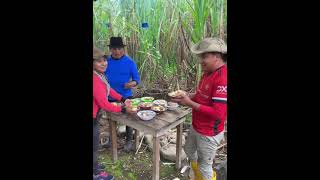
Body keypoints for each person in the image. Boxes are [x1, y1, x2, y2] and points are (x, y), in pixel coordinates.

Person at [171, 37, 227, 180]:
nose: (201, 60)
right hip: (197, 126)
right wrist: (186, 96)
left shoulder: (223, 78)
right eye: (200, 56)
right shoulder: (207, 72)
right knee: (189, 151)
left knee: (205, 166)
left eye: (205, 56)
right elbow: (200, 95)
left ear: (217, 56)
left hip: (209, 132)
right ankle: (198, 176)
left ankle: (206, 176)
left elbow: (218, 114)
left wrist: (189, 103)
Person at [93, 46, 133, 179]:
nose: (104, 63)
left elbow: (109, 90)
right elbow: (104, 104)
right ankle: (96, 174)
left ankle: (94, 165)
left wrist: (123, 98)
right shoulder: (95, 79)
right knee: (93, 144)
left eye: (104, 60)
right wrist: (122, 108)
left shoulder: (100, 76)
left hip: (95, 115)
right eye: (99, 61)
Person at [104, 37, 141, 152]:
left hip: (126, 96)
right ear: (110, 49)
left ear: (123, 49)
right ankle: (112, 139)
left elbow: (137, 79)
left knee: (129, 118)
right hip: (109, 96)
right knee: (111, 118)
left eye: (119, 48)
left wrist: (131, 84)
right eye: (114, 49)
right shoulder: (106, 62)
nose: (117, 51)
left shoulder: (130, 62)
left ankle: (129, 140)